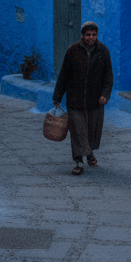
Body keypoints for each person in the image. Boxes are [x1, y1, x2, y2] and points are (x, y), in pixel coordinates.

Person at [52, 21, 113, 175]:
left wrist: (105, 95)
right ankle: (78, 161)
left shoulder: (103, 51)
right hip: (75, 99)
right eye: (88, 35)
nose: (91, 38)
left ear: (97, 35)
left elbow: (108, 78)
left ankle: (89, 153)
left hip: (95, 101)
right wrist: (57, 96)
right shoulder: (72, 50)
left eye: (94, 35)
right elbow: (63, 75)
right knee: (77, 131)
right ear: (82, 35)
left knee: (92, 131)